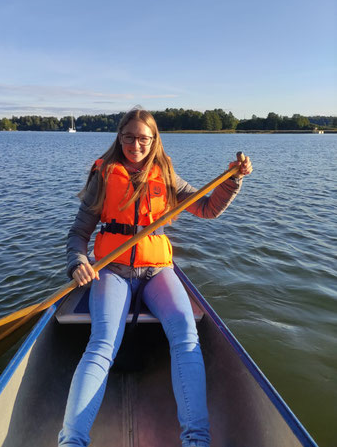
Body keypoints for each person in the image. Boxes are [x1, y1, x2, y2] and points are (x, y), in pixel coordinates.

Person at [58, 108, 252, 447]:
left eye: (143, 138)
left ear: (154, 140)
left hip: (157, 271)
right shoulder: (103, 175)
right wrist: (77, 262)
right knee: (103, 344)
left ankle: (196, 440)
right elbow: (79, 233)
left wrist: (233, 180)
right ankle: (72, 440)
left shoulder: (167, 175)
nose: (136, 144)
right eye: (129, 137)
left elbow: (208, 208)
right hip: (113, 270)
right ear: (119, 137)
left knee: (185, 334)